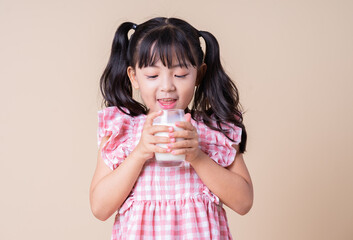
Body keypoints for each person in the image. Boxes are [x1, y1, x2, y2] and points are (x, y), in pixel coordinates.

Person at [90, 17, 253, 240]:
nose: (167, 86)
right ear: (134, 77)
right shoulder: (123, 131)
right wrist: (139, 153)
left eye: (180, 75)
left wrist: (197, 156)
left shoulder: (212, 131)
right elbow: (100, 208)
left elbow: (243, 202)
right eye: (152, 75)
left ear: (200, 74)